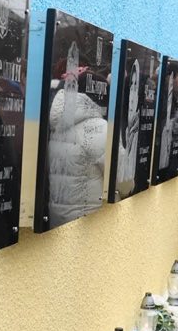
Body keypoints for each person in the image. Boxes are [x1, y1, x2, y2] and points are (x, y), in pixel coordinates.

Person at [47, 43, 109, 225]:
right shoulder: (99, 127)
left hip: (57, 217)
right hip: (89, 220)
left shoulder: (56, 123)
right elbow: (121, 178)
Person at [115, 57, 141, 195]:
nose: (133, 91)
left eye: (136, 85)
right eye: (131, 84)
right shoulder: (119, 125)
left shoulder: (138, 131)